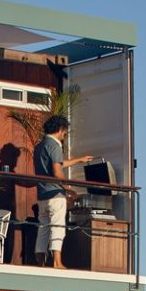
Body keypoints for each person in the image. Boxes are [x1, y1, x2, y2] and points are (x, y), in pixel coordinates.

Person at [32, 115, 94, 269]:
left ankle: (40, 263)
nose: (65, 135)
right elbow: (57, 171)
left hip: (42, 195)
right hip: (55, 195)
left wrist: (79, 160)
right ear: (60, 129)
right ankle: (57, 262)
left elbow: (58, 163)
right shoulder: (55, 145)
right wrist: (69, 189)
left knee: (43, 228)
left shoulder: (40, 146)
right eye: (65, 132)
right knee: (58, 227)